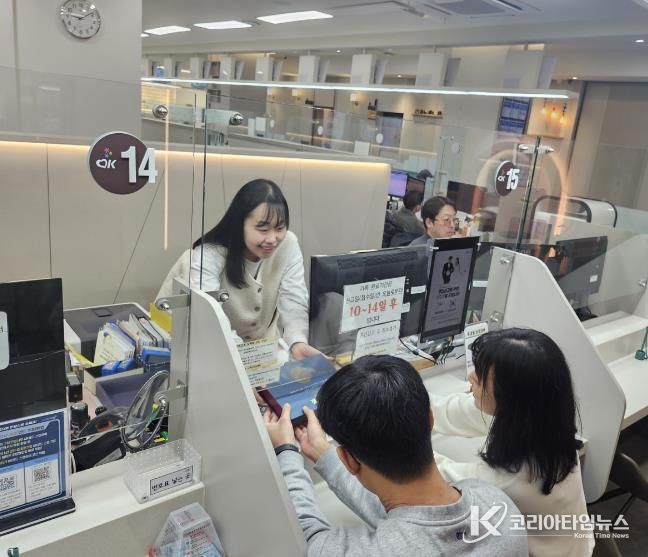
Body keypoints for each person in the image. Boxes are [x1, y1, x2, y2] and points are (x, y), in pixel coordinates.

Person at [264, 355, 528, 556]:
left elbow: (307, 533)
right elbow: (411, 527)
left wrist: (286, 450)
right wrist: (325, 455)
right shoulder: (497, 504)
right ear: (430, 420)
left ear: (349, 461)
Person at [431, 328, 594, 556]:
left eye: (481, 375)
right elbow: (456, 411)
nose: (471, 377)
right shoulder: (545, 424)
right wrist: (410, 403)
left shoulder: (511, 480)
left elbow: (431, 477)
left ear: (510, 396)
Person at [190, 178, 320, 360]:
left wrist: (297, 342)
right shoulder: (209, 254)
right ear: (239, 224)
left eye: (279, 228)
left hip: (265, 354)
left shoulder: (288, 244)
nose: (272, 239)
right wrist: (242, 362)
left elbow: (294, 299)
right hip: (217, 354)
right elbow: (210, 318)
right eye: (263, 229)